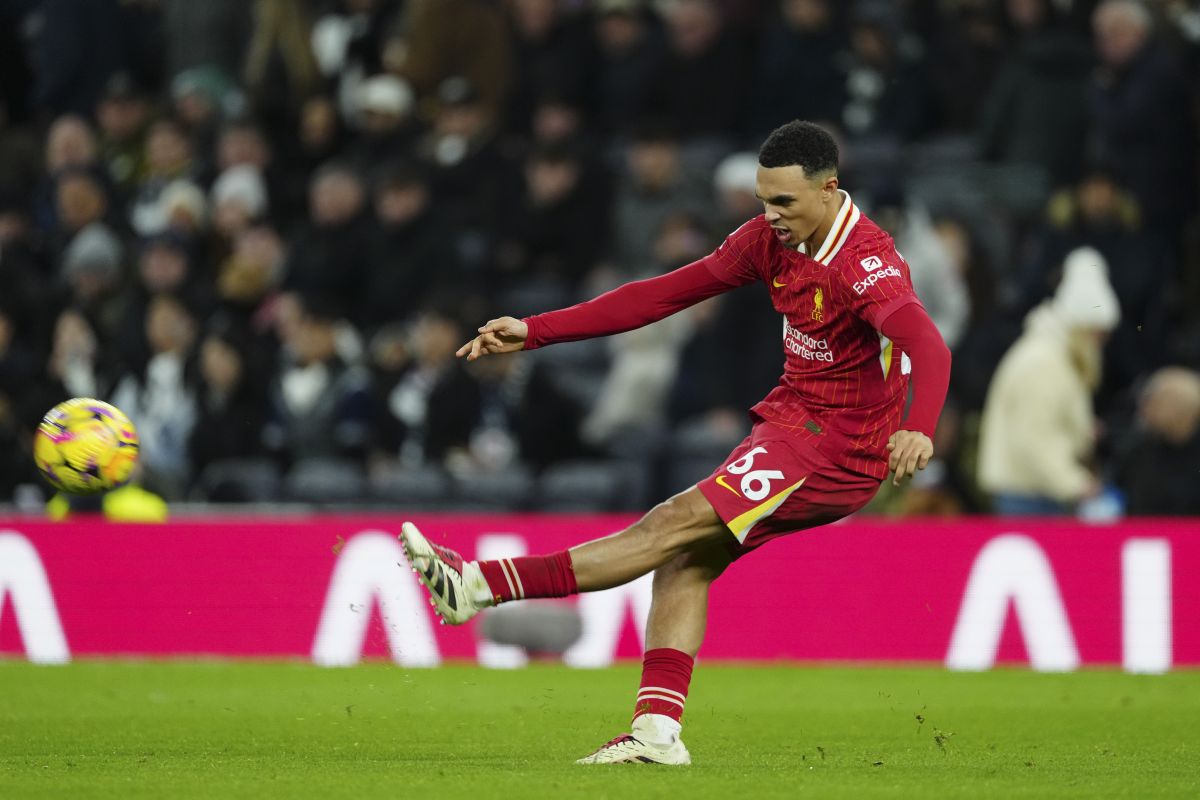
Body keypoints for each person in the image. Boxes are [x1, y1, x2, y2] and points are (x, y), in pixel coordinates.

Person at [399, 121, 951, 765]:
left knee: (673, 521)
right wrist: (538, 330)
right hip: (791, 422)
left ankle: (478, 585)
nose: (770, 216)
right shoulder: (769, 240)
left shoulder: (865, 264)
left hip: (837, 446)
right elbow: (660, 295)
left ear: (830, 190)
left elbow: (929, 344)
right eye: (763, 200)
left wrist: (921, 426)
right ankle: (657, 733)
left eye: (785, 203)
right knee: (686, 557)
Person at [977, 246, 1120, 515]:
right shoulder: (1044, 363)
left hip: (1035, 491)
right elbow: (1034, 439)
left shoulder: (1054, 356)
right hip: (1029, 499)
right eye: (1099, 335)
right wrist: (1077, 484)